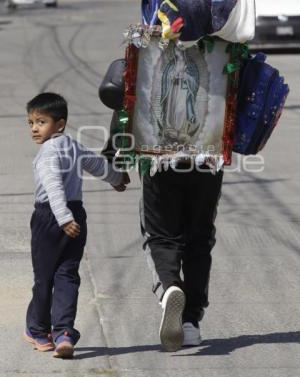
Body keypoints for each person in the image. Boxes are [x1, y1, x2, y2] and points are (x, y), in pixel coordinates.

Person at [24, 92, 129, 358]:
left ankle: (39, 332)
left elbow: (53, 187)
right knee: (67, 275)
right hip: (75, 215)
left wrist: (62, 218)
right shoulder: (72, 145)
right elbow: (95, 163)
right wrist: (116, 178)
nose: (35, 128)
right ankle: (64, 333)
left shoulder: (47, 153)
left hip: (51, 218)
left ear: (60, 124)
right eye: (31, 122)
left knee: (44, 278)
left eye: (41, 121)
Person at [140, 162, 223, 352]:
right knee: (200, 239)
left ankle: (170, 287)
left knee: (160, 236)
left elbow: (129, 131)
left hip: (160, 160)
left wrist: (114, 155)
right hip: (207, 160)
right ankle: (190, 322)